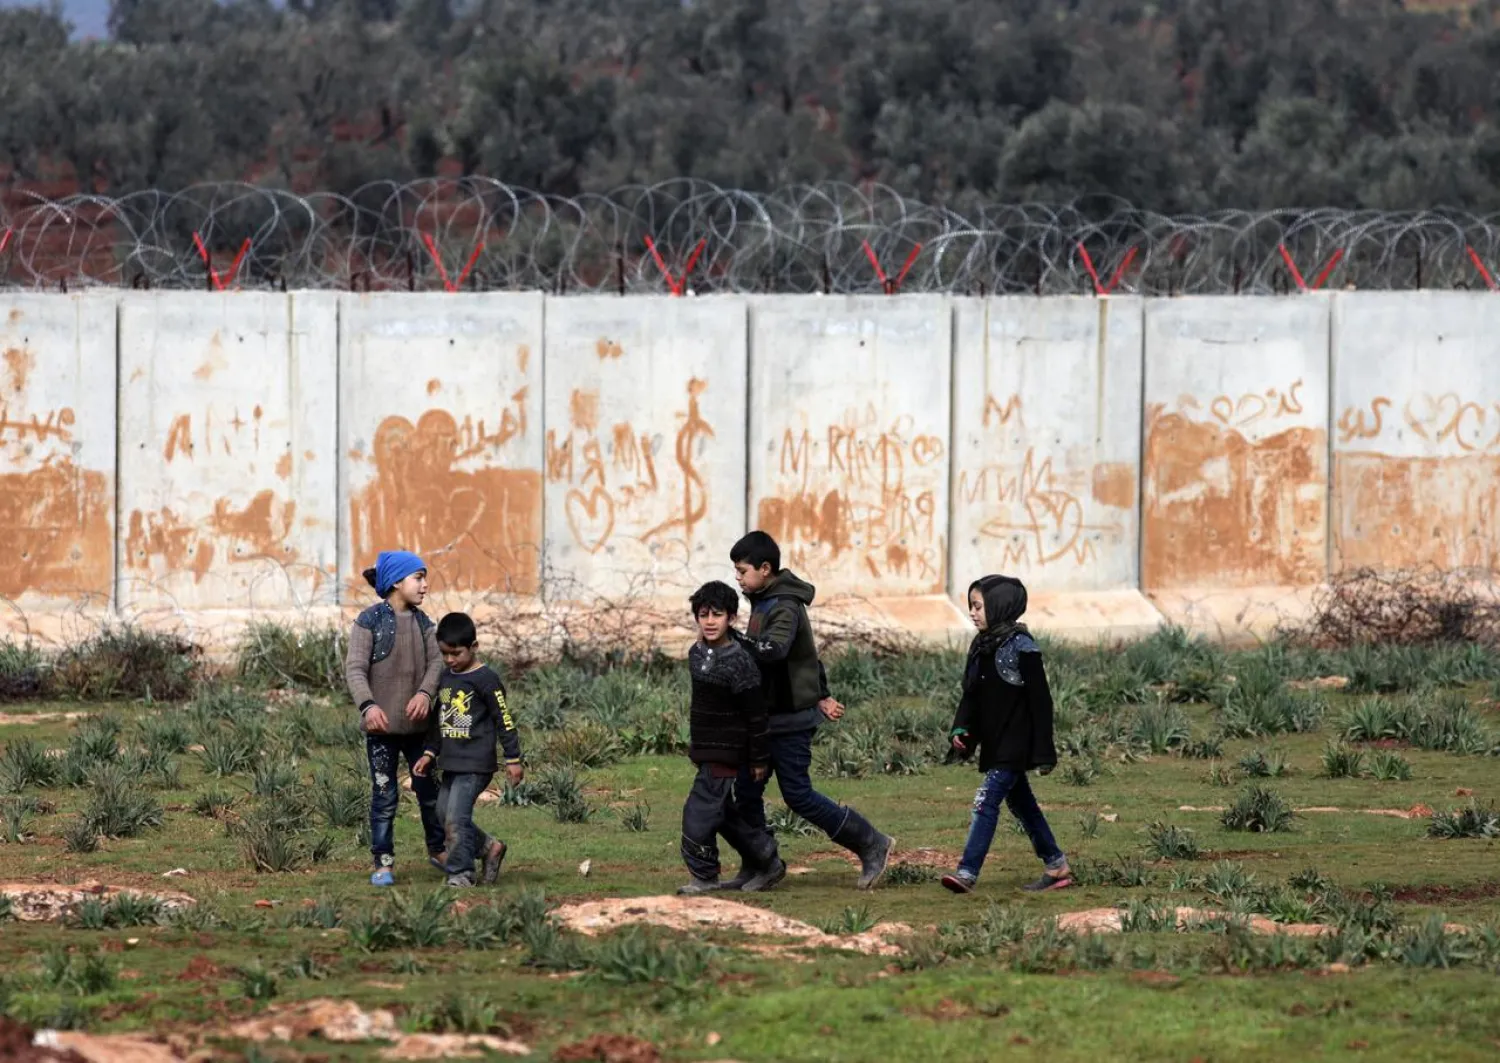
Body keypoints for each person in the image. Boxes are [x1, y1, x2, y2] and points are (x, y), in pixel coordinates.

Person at [728, 530, 894, 890]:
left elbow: (775, 651)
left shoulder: (785, 605)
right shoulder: (763, 600)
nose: (737, 578)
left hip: (791, 721)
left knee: (798, 794)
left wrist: (732, 637)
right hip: (765, 719)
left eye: (742, 571)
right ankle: (761, 864)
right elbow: (807, 656)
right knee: (747, 792)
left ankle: (872, 843)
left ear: (765, 569)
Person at [941, 575, 1071, 895]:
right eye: (971, 606)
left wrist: (1044, 752)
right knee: (1023, 805)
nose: (972, 613)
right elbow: (972, 695)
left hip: (1017, 744)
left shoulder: (1023, 647)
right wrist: (962, 730)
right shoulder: (981, 645)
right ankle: (1056, 865)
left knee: (985, 802)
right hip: (995, 742)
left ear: (1000, 606)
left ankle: (967, 872)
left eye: (978, 606)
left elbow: (1041, 702)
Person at [345, 549, 446, 887]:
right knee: (384, 796)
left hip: (419, 731)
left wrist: (425, 693)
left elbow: (437, 663)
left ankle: (439, 851)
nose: (425, 585)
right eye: (418, 578)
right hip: (381, 731)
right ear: (396, 582)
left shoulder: (424, 623)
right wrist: (368, 706)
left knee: (429, 793)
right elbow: (355, 669)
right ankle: (383, 863)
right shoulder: (368, 621)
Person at [677, 581, 785, 895]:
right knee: (723, 814)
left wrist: (759, 758)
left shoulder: (739, 662)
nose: (710, 621)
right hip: (706, 750)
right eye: (703, 615)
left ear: (732, 618)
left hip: (729, 751)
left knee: (698, 814)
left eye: (717, 615)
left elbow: (756, 715)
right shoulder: (696, 654)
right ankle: (767, 859)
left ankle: (704, 876)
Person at [412, 612, 523, 888]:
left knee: (456, 820)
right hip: (450, 763)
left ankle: (461, 874)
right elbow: (439, 720)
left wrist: (513, 759)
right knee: (443, 816)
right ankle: (489, 847)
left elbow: (504, 720)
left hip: (475, 765)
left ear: (474, 647)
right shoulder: (447, 678)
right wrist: (429, 753)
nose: (450, 659)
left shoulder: (486, 680)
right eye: (444, 654)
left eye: (456, 653)